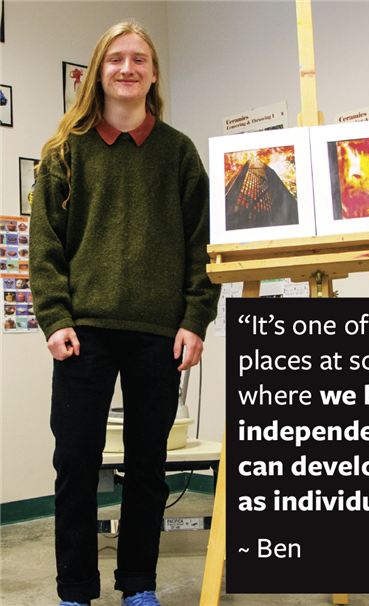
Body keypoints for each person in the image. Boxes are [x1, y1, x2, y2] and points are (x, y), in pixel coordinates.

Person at [29, 20, 220, 606]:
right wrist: (55, 318)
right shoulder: (65, 152)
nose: (128, 68)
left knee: (147, 468)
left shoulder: (179, 153)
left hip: (158, 335)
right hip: (83, 333)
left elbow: (201, 248)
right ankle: (76, 591)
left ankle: (138, 586)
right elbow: (45, 246)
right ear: (98, 72)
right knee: (76, 464)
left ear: (154, 74)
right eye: (117, 59)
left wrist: (195, 320)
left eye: (140, 59)